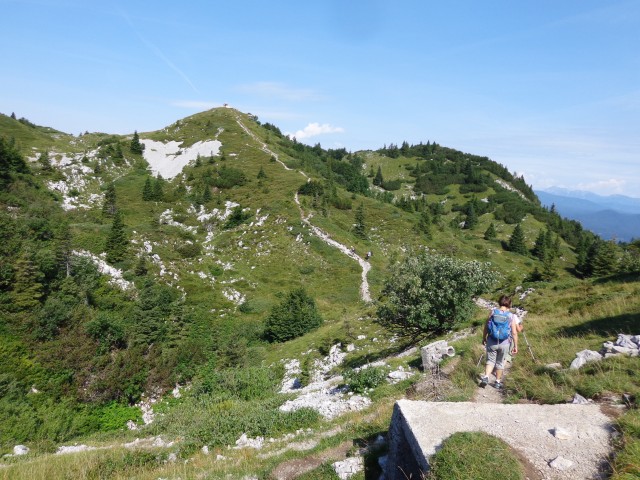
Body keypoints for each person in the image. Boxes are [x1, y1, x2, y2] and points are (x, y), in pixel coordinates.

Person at [479, 295, 518, 390]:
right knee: (500, 363)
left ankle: (486, 377)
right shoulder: (511, 316)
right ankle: (497, 382)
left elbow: (486, 327)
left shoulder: (493, 312)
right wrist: (515, 346)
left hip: (492, 340)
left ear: (499, 302)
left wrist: (484, 338)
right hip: (504, 343)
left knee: (490, 360)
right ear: (509, 304)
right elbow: (514, 332)